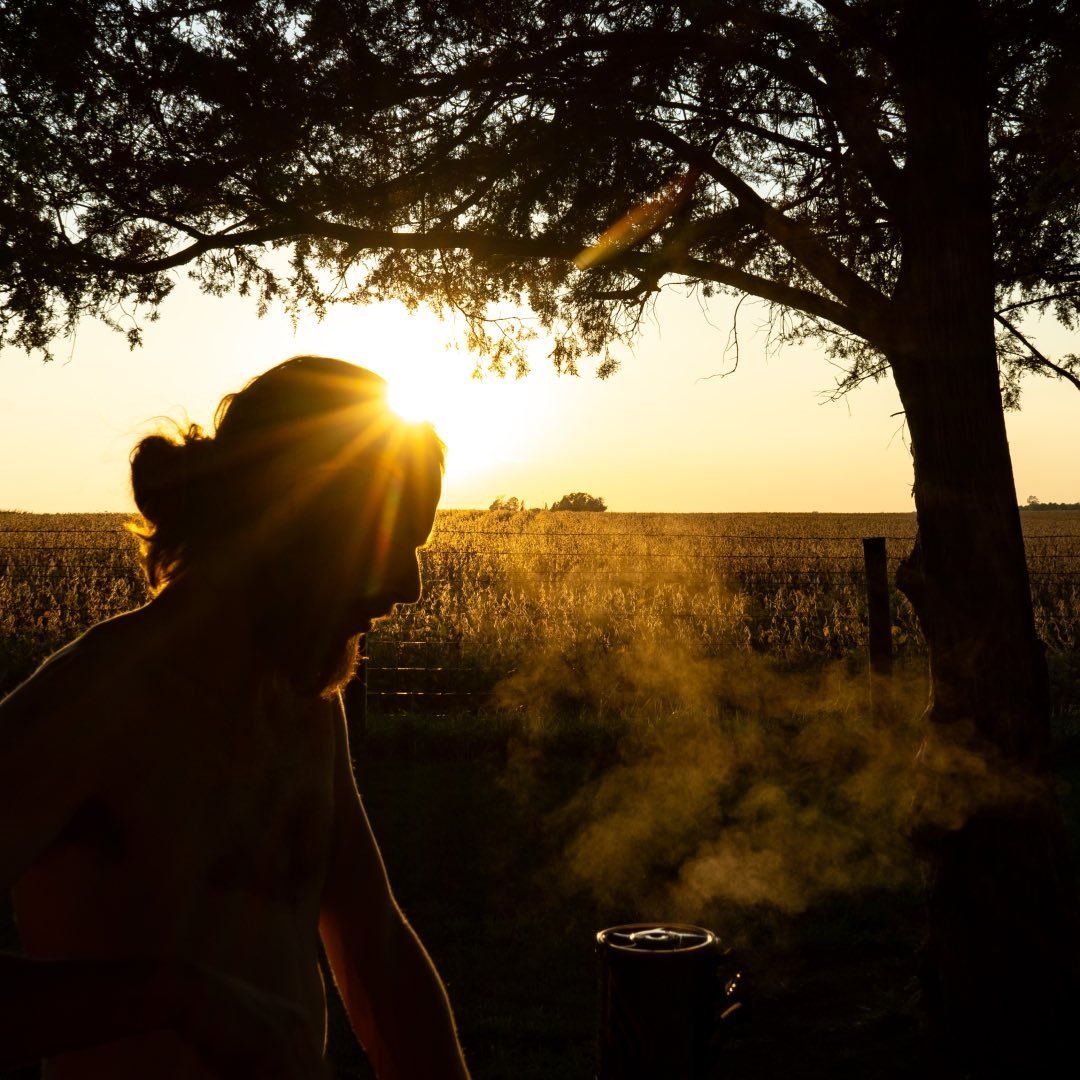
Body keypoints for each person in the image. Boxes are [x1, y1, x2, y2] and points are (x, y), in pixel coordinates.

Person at [0, 356, 471, 1079]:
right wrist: (175, 998)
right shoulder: (94, 705)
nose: (409, 585)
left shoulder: (304, 700)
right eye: (386, 543)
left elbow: (376, 954)